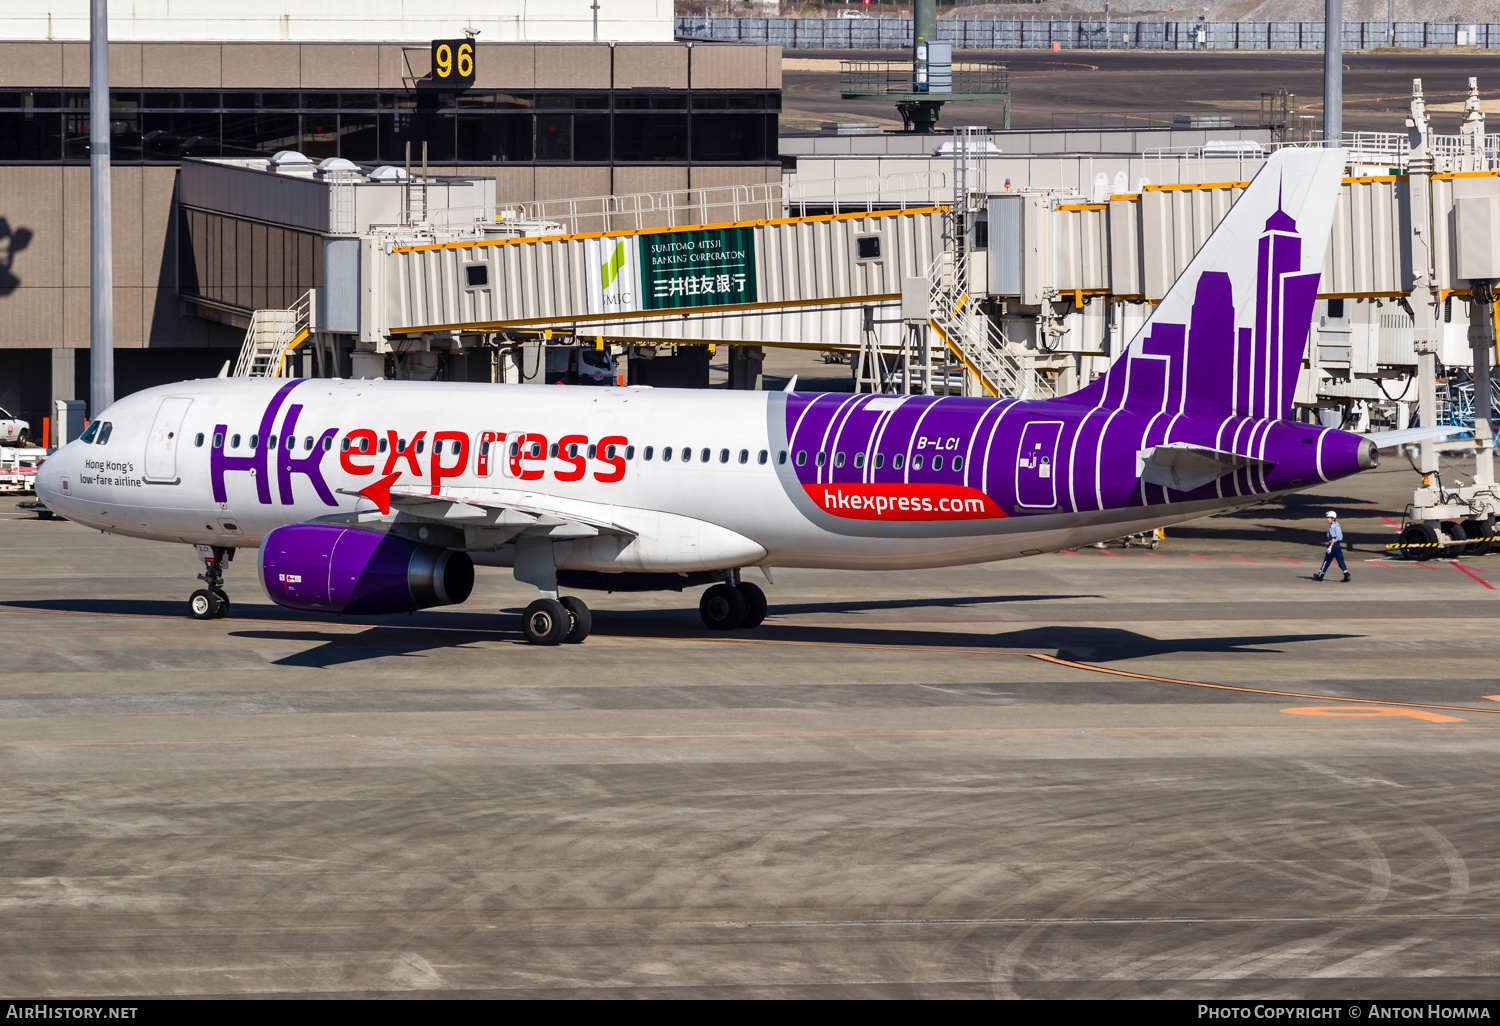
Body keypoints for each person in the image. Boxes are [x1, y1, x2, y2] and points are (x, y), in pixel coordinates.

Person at [1313, 510, 1349, 582]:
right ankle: (1346, 574)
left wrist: (1330, 547)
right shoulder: (1337, 524)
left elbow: (1333, 537)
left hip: (1333, 545)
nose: (1327, 519)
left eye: (1329, 518)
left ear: (1333, 518)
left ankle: (1320, 576)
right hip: (1338, 545)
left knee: (1326, 561)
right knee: (1340, 560)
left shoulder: (1332, 526)